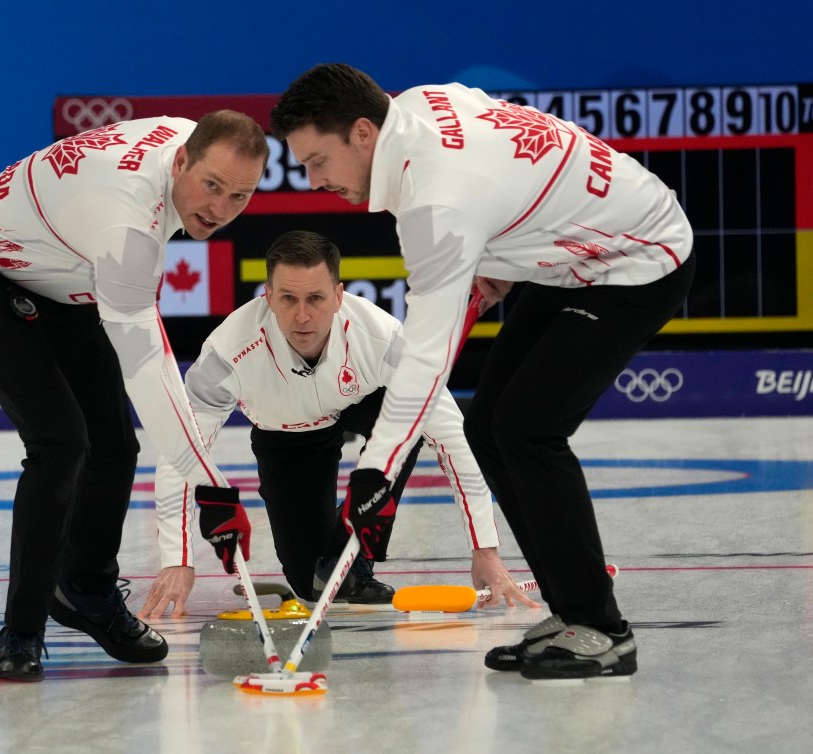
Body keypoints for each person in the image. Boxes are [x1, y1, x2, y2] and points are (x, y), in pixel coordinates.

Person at [270, 65, 695, 680]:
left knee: (528, 428)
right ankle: (573, 613)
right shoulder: (416, 106)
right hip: (571, 252)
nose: (314, 182)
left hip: (639, 257)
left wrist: (375, 471)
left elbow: (426, 359)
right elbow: (512, 168)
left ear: (363, 132)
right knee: (490, 426)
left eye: (317, 161)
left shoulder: (435, 204)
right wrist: (494, 255)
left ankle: (603, 631)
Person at [0, 111, 269, 682]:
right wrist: (211, 487)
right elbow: (149, 369)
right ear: (181, 161)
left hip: (63, 274)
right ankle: (21, 632)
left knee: (114, 444)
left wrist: (205, 486)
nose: (220, 208)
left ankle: (85, 590)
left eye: (240, 196)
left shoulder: (191, 141)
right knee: (61, 443)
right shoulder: (127, 223)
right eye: (212, 187)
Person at [138, 230, 536, 619]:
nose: (302, 316)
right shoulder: (227, 353)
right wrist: (177, 559)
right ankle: (334, 543)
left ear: (339, 296)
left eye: (316, 298)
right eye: (288, 298)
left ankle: (357, 549)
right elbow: (181, 450)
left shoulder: (383, 338)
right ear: (268, 296)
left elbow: (453, 438)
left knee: (407, 423)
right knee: (313, 580)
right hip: (288, 435)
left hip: (363, 406)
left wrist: (486, 551)